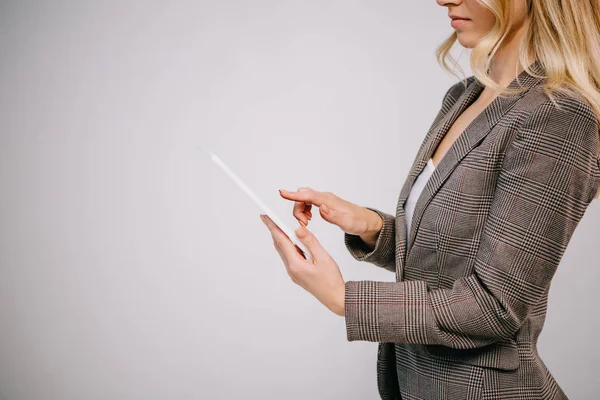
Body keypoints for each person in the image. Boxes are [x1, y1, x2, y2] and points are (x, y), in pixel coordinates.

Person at [259, 0, 600, 398]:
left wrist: (342, 298)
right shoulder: (465, 96)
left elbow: (494, 306)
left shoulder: (559, 116)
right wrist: (371, 226)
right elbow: (450, 260)